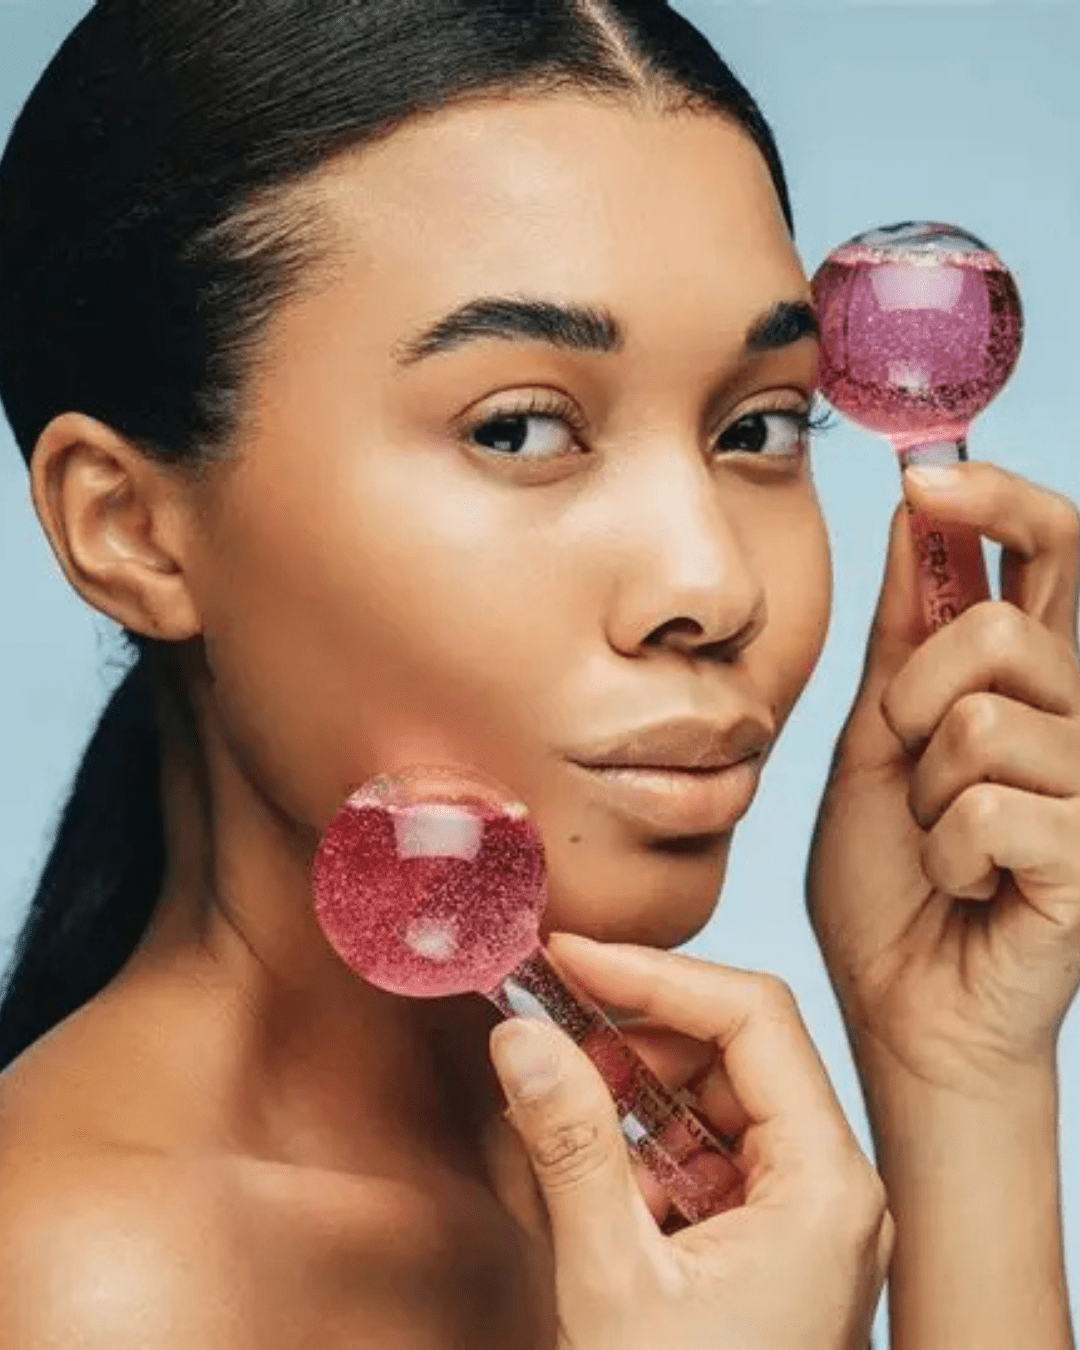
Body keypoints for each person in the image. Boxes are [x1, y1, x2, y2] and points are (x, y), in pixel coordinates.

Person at [0, 2, 1076, 1346]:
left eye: (758, 425)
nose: (711, 585)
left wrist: (958, 1075)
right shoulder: (86, 1281)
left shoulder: (702, 1218)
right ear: (131, 526)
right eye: (518, 428)